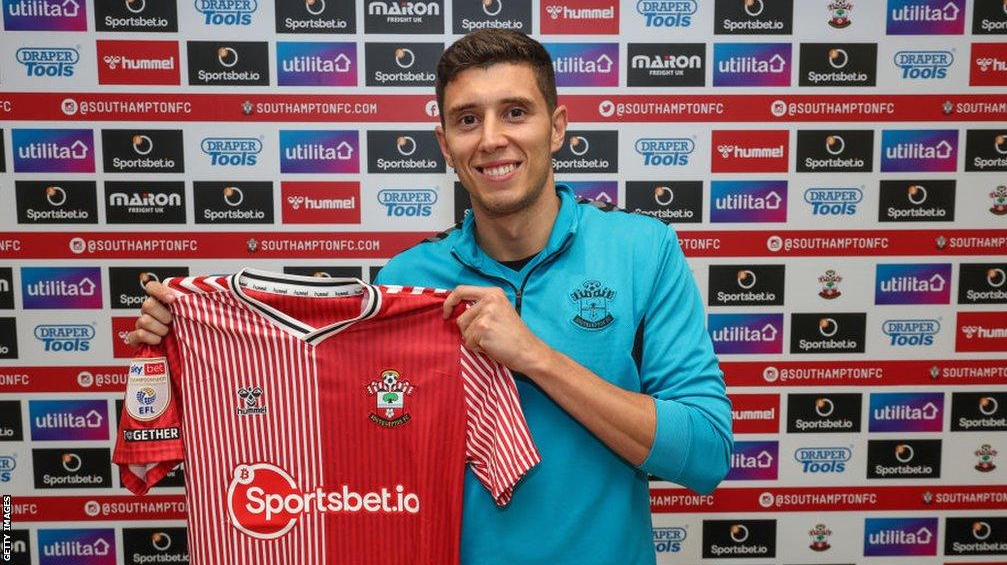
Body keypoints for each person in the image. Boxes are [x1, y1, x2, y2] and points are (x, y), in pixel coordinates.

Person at [129, 29, 733, 564]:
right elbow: (332, 440)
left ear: (558, 127)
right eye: (467, 119)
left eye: (515, 112)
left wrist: (535, 357)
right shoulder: (405, 281)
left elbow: (705, 454)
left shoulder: (643, 250)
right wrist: (185, 356)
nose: (492, 139)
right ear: (444, 143)